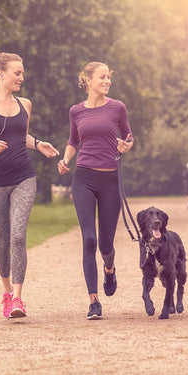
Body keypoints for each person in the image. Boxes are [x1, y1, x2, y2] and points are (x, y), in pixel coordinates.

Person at [0, 51, 59, 319]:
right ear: (1, 74)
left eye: (22, 72)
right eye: (17, 73)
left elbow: (21, 136)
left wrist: (38, 144)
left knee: (18, 236)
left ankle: (18, 298)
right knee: (2, 240)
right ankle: (6, 294)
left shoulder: (25, 104)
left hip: (23, 177)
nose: (21, 77)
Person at [57, 62, 133, 320]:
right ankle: (93, 301)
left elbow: (129, 136)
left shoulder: (117, 107)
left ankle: (109, 269)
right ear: (88, 80)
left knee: (106, 244)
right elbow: (73, 141)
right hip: (84, 179)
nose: (107, 81)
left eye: (109, 77)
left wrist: (126, 146)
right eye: (102, 77)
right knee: (89, 239)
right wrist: (66, 160)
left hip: (111, 180)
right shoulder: (76, 111)